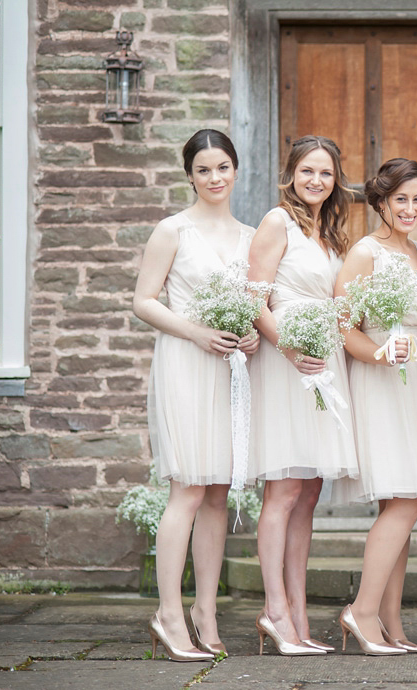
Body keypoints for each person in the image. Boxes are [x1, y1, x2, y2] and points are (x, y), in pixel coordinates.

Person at [134, 129, 259, 661]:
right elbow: (144, 301)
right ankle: (168, 612)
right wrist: (195, 331)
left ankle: (205, 612)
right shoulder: (173, 231)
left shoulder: (253, 237)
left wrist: (253, 333)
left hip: (230, 369)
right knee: (187, 488)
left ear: (236, 171)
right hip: (188, 362)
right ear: (189, 175)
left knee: (217, 493)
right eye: (204, 169)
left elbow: (257, 303)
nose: (215, 178)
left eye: (223, 167)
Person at [332, 158, 417, 655]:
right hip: (384, 379)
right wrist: (381, 353)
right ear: (381, 201)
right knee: (406, 497)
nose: (409, 208)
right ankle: (360, 612)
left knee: (400, 503)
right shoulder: (366, 253)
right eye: (400, 199)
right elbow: (344, 327)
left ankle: (391, 623)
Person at [247, 135, 359, 656]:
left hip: (323, 360)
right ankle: (274, 610)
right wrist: (289, 348)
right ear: (290, 173)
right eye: (308, 171)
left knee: (309, 492)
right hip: (287, 360)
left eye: (327, 173)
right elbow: (254, 299)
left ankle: (298, 612)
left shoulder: (330, 231)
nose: (317, 180)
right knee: (285, 488)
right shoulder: (277, 222)